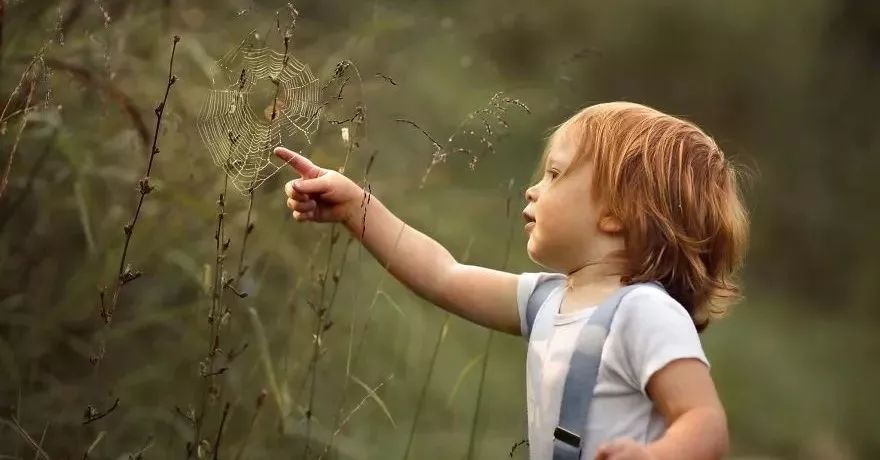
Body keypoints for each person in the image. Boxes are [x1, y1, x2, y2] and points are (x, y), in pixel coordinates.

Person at [275, 101, 748, 459]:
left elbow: (705, 422)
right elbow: (443, 275)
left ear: (616, 214)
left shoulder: (645, 312)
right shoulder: (547, 300)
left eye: (555, 174)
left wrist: (652, 457)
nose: (533, 188)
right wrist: (357, 208)